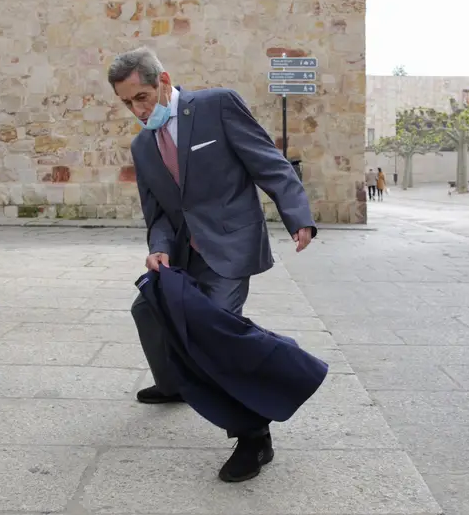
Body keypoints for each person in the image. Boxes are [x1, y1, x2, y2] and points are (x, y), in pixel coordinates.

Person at [109, 47, 317, 483]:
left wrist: (298, 215)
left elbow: (270, 163)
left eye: (143, 97)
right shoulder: (142, 145)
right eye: (128, 103)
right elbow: (159, 213)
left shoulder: (217, 105)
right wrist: (159, 247)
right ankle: (175, 384)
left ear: (164, 80)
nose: (138, 110)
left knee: (217, 331)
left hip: (230, 243)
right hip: (182, 252)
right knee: (146, 310)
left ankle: (254, 436)